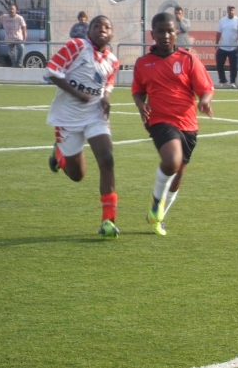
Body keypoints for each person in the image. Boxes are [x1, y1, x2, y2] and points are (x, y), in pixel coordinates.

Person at [132, 12, 214, 236]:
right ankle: (157, 202)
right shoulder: (143, 63)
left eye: (170, 31)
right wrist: (140, 104)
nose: (165, 35)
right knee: (171, 161)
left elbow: (205, 88)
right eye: (161, 31)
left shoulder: (188, 59)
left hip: (188, 124)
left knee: (178, 175)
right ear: (153, 34)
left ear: (176, 33)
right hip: (160, 120)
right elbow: (138, 90)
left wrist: (204, 101)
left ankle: (158, 217)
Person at [46, 15, 121, 238]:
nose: (101, 29)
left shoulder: (113, 61)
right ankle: (60, 154)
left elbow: (108, 82)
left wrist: (105, 97)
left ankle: (108, 221)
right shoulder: (76, 46)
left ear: (112, 34)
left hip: (95, 114)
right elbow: (52, 71)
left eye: (106, 27)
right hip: (67, 118)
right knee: (77, 175)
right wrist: (77, 94)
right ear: (89, 31)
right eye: (96, 26)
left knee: (107, 159)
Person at [215, 5, 238, 88]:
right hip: (223, 47)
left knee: (233, 66)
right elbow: (218, 32)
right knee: (219, 64)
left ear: (234, 11)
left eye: (232, 10)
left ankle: (232, 82)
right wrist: (216, 43)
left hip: (233, 48)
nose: (231, 11)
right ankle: (222, 81)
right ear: (227, 11)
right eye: (229, 10)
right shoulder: (222, 20)